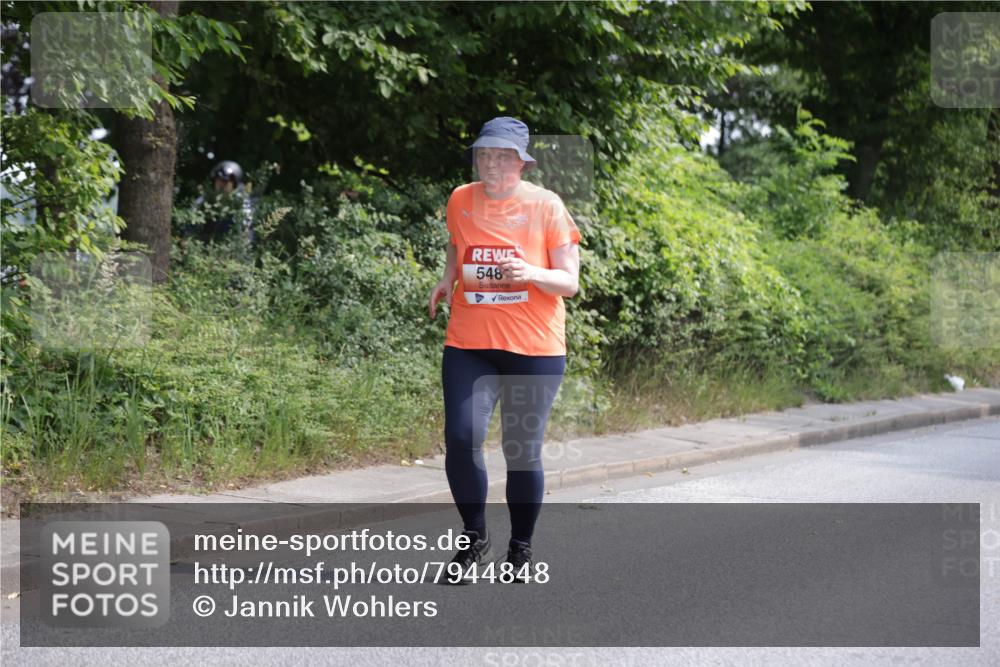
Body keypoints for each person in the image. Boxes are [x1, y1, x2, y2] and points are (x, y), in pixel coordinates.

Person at [428, 117, 582, 583]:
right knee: (460, 437)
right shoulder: (461, 198)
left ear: (521, 162)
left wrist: (529, 273)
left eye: (502, 156)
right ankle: (474, 540)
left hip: (533, 349)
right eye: (484, 154)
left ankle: (520, 548)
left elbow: (569, 282)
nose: (491, 163)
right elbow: (459, 245)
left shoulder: (547, 206)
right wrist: (447, 277)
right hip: (469, 344)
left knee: (521, 451)